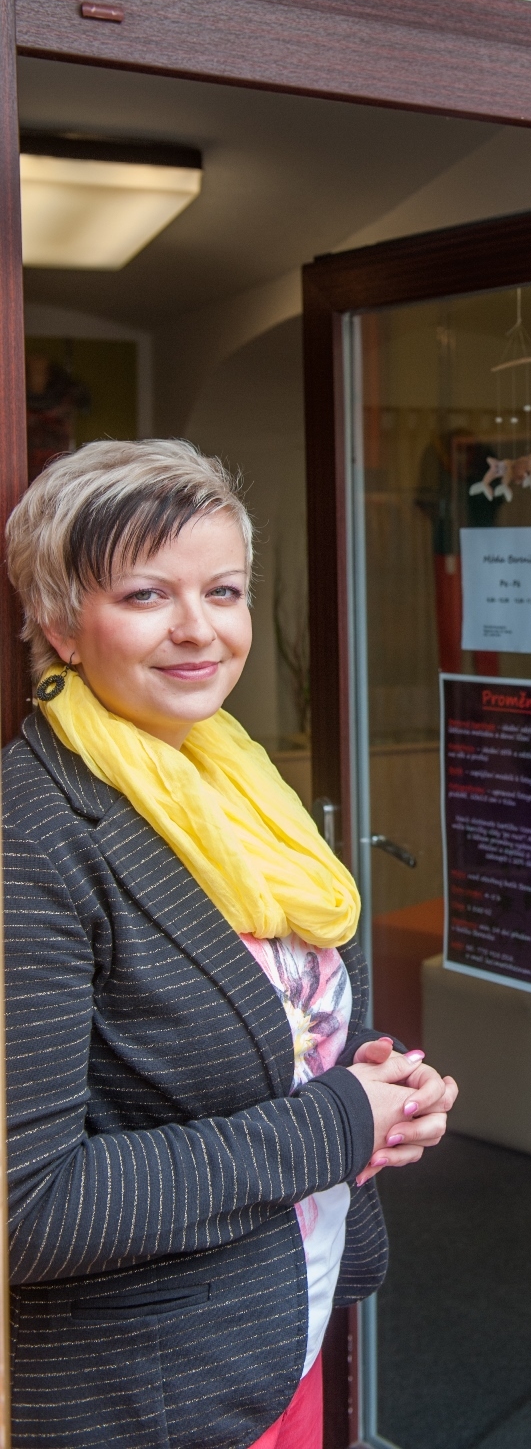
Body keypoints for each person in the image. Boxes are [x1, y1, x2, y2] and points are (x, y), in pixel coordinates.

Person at [3, 439, 458, 1449]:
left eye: (223, 590)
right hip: (152, 1399)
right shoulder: (31, 836)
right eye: (145, 595)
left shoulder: (236, 784)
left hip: (278, 1332)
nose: (198, 628)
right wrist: (337, 1122)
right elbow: (27, 1208)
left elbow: (275, 1021)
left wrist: (378, 1081)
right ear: (59, 623)